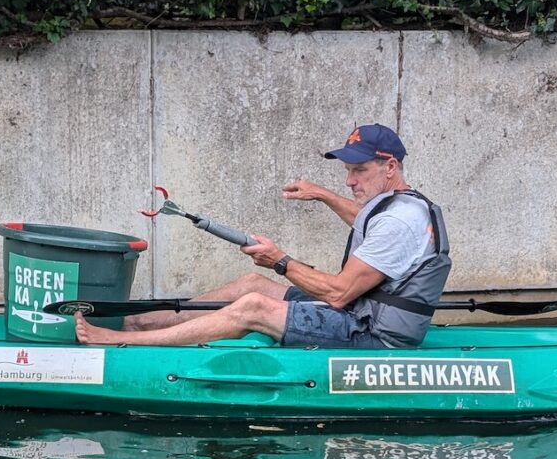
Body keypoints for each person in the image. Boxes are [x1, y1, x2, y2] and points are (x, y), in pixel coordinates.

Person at [75, 123, 451, 348]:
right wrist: (321, 194)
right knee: (250, 282)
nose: (350, 180)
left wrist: (280, 261)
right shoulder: (400, 205)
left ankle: (121, 340)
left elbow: (339, 293)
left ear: (391, 166)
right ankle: (138, 322)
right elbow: (367, 221)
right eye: (348, 170)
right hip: (361, 310)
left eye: (360, 171)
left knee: (254, 305)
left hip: (372, 334)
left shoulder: (398, 223)